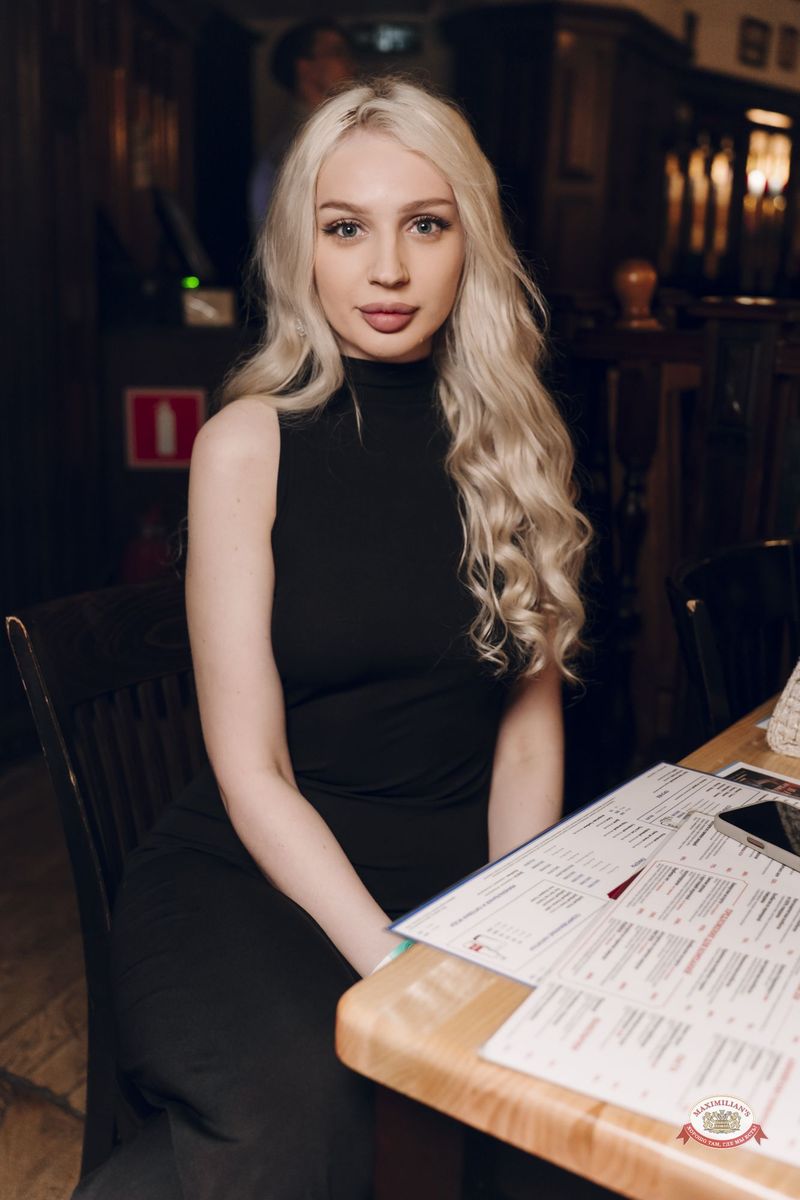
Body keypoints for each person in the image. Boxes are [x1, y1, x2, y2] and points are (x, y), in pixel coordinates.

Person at [75, 77, 590, 1200]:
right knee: (304, 1116)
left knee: (570, 1118)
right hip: (255, 875)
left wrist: (509, 928)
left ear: (471, 241)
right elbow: (251, 772)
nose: (387, 269)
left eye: (425, 225)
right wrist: (401, 970)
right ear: (300, 248)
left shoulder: (517, 444)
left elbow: (525, 733)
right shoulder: (246, 445)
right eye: (346, 228)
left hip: (455, 874)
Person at [249, 20, 355, 233]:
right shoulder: (294, 144)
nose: (350, 64)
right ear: (305, 68)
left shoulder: (332, 131)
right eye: (337, 52)